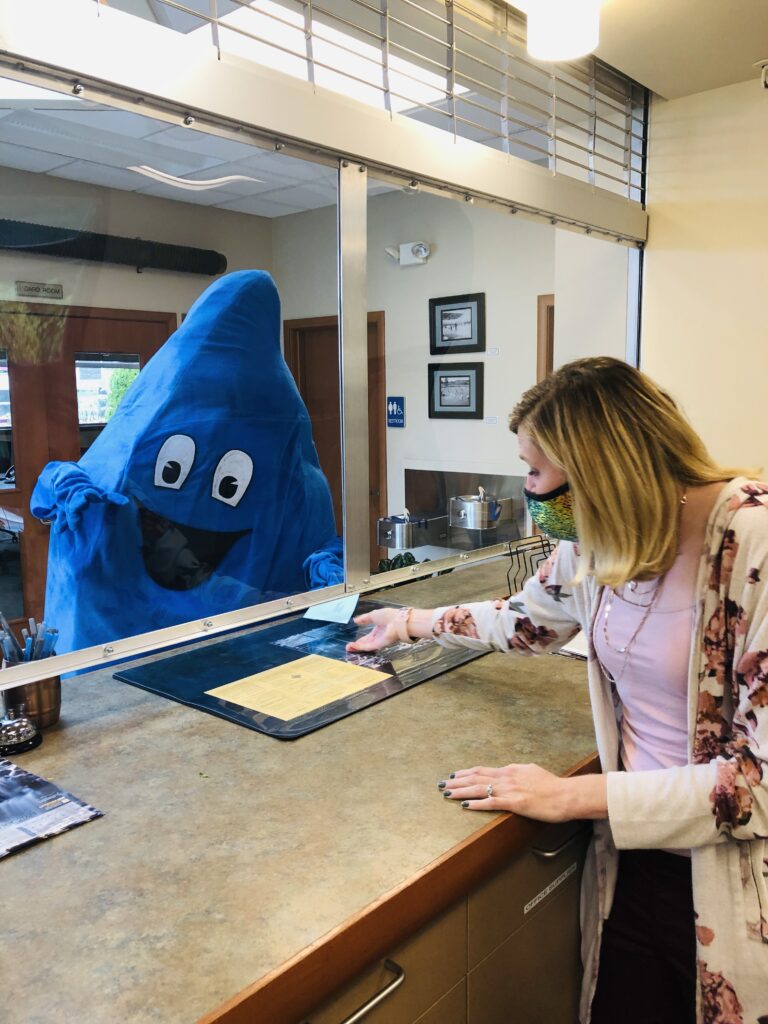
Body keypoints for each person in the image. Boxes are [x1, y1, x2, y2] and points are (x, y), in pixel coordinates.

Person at [346, 357, 768, 1024]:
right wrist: (408, 624)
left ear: (601, 468)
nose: (530, 488)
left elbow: (758, 784)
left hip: (734, 877)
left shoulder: (754, 540)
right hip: (635, 860)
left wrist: (566, 795)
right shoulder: (599, 539)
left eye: (537, 470)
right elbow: (525, 621)